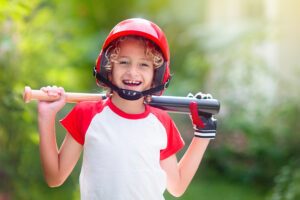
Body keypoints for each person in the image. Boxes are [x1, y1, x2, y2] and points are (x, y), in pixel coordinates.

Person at [37, 18, 217, 200]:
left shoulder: (161, 122)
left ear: (157, 73)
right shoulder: (87, 114)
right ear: (108, 67)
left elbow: (176, 187)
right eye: (124, 62)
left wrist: (203, 134)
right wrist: (46, 117)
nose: (133, 71)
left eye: (143, 64)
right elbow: (55, 178)